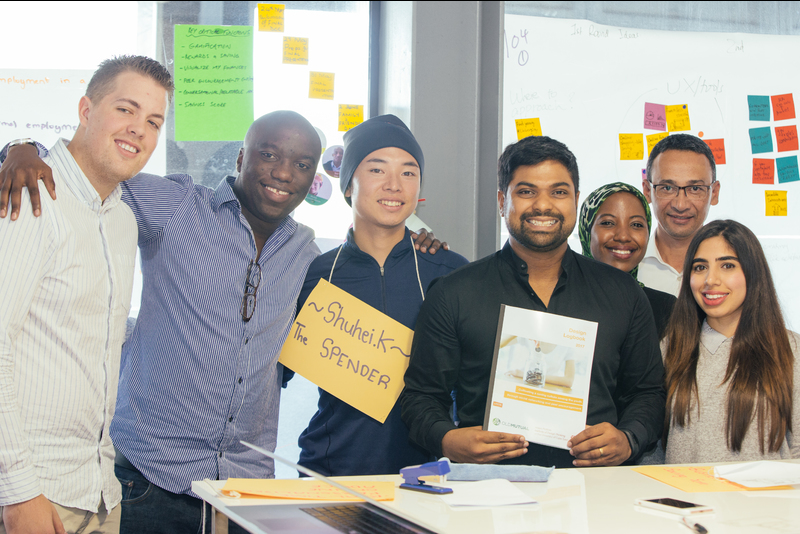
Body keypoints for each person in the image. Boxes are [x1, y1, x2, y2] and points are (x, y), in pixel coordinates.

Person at [0, 111, 443, 534]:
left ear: (314, 179)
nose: (283, 172)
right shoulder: (178, 207)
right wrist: (25, 149)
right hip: (150, 483)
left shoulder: (308, 257)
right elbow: (95, 171)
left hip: (246, 491)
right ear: (240, 159)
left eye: (302, 164)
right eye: (268, 155)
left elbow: (360, 275)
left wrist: (418, 239)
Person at [400, 135, 665, 469]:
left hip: (596, 493)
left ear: (576, 200)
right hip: (487, 494)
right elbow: (420, 397)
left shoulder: (623, 293)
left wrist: (628, 439)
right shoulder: (455, 293)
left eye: (559, 192)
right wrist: (446, 439)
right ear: (501, 200)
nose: (543, 205)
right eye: (526, 192)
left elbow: (648, 393)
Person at [0, 55, 172, 534]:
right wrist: (18, 494)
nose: (139, 128)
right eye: (125, 109)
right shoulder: (32, 194)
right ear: (85, 109)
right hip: (34, 494)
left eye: (153, 121)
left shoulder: (122, 219)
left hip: (98, 493)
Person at [293, 114, 468, 476]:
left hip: (429, 480)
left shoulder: (450, 272)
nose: (394, 185)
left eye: (408, 172)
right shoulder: (314, 274)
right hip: (332, 476)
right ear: (347, 186)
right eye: (376, 170)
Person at [663, 219, 800, 463]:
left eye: (727, 265)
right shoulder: (671, 348)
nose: (710, 280)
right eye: (699, 267)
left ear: (752, 272)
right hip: (683, 499)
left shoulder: (791, 349)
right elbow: (654, 448)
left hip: (766, 500)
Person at [578, 182, 676, 338]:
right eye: (608, 223)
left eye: (636, 225)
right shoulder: (561, 299)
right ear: (587, 230)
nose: (623, 236)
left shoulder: (665, 308)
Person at [639, 134, 720, 296]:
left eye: (695, 189)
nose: (680, 205)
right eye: (667, 188)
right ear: (647, 191)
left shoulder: (734, 270)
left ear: (715, 193)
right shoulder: (626, 264)